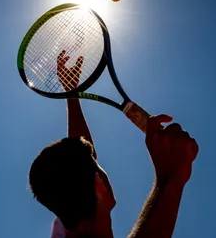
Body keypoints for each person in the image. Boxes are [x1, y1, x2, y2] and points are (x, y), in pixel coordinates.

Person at [28, 51, 199, 238]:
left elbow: (81, 159)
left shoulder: (68, 219)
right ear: (98, 183)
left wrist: (72, 94)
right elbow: (82, 160)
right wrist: (170, 176)